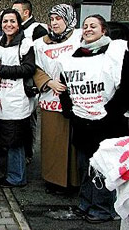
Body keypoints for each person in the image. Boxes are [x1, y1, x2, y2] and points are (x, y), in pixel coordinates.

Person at [59, 14, 128, 223]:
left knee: (103, 167)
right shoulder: (73, 56)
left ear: (104, 30)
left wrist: (108, 112)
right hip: (82, 122)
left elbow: (126, 87)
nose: (88, 29)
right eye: (85, 26)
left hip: (109, 122)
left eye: (93, 26)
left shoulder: (117, 53)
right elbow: (65, 85)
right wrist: (70, 110)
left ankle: (102, 209)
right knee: (84, 165)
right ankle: (85, 203)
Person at [33, 4, 81, 194]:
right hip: (51, 98)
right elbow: (34, 68)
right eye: (52, 19)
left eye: (58, 19)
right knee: (52, 142)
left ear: (68, 19)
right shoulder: (40, 44)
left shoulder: (80, 38)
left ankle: (74, 182)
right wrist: (48, 82)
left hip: (77, 99)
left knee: (74, 143)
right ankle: (53, 180)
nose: (54, 23)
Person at [0, 8, 36, 188]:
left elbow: (29, 69)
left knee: (16, 141)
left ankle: (17, 177)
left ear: (19, 24)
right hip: (0, 99)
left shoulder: (25, 45)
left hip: (17, 100)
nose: (8, 25)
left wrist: (2, 70)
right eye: (5, 21)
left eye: (12, 21)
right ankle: (11, 172)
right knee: (7, 140)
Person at [12, 0, 48, 165]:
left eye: (16, 11)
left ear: (26, 12)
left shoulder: (37, 29)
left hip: (29, 83)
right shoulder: (17, 28)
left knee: (29, 119)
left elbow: (40, 58)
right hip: (14, 83)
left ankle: (28, 153)